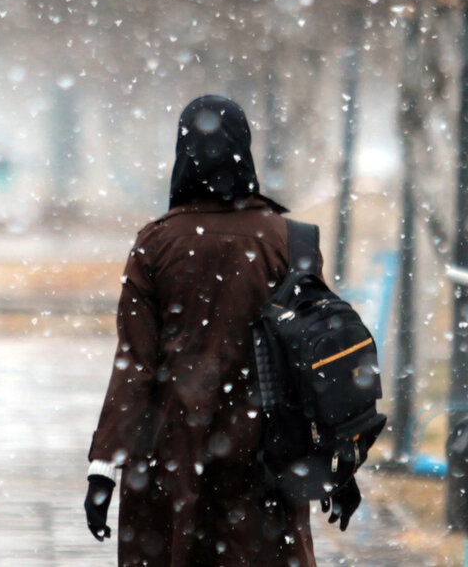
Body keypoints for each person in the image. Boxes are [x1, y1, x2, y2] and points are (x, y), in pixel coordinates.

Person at [83, 95, 361, 567]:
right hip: (267, 455)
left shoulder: (155, 244)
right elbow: (318, 365)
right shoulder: (290, 242)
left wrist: (104, 469)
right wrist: (339, 462)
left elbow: (135, 365)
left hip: (170, 457)